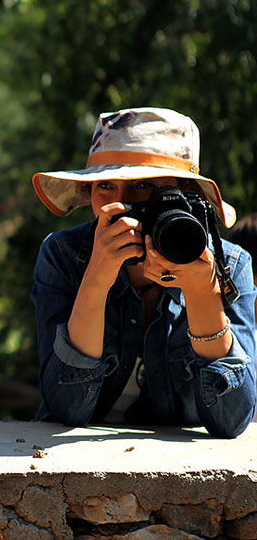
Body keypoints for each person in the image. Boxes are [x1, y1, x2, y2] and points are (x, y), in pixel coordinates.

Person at [31, 107, 256, 438]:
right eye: (104, 185)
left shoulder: (229, 266)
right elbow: (66, 407)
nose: (118, 205)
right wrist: (95, 280)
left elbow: (232, 420)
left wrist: (201, 294)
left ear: (184, 196)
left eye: (142, 186)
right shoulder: (63, 256)